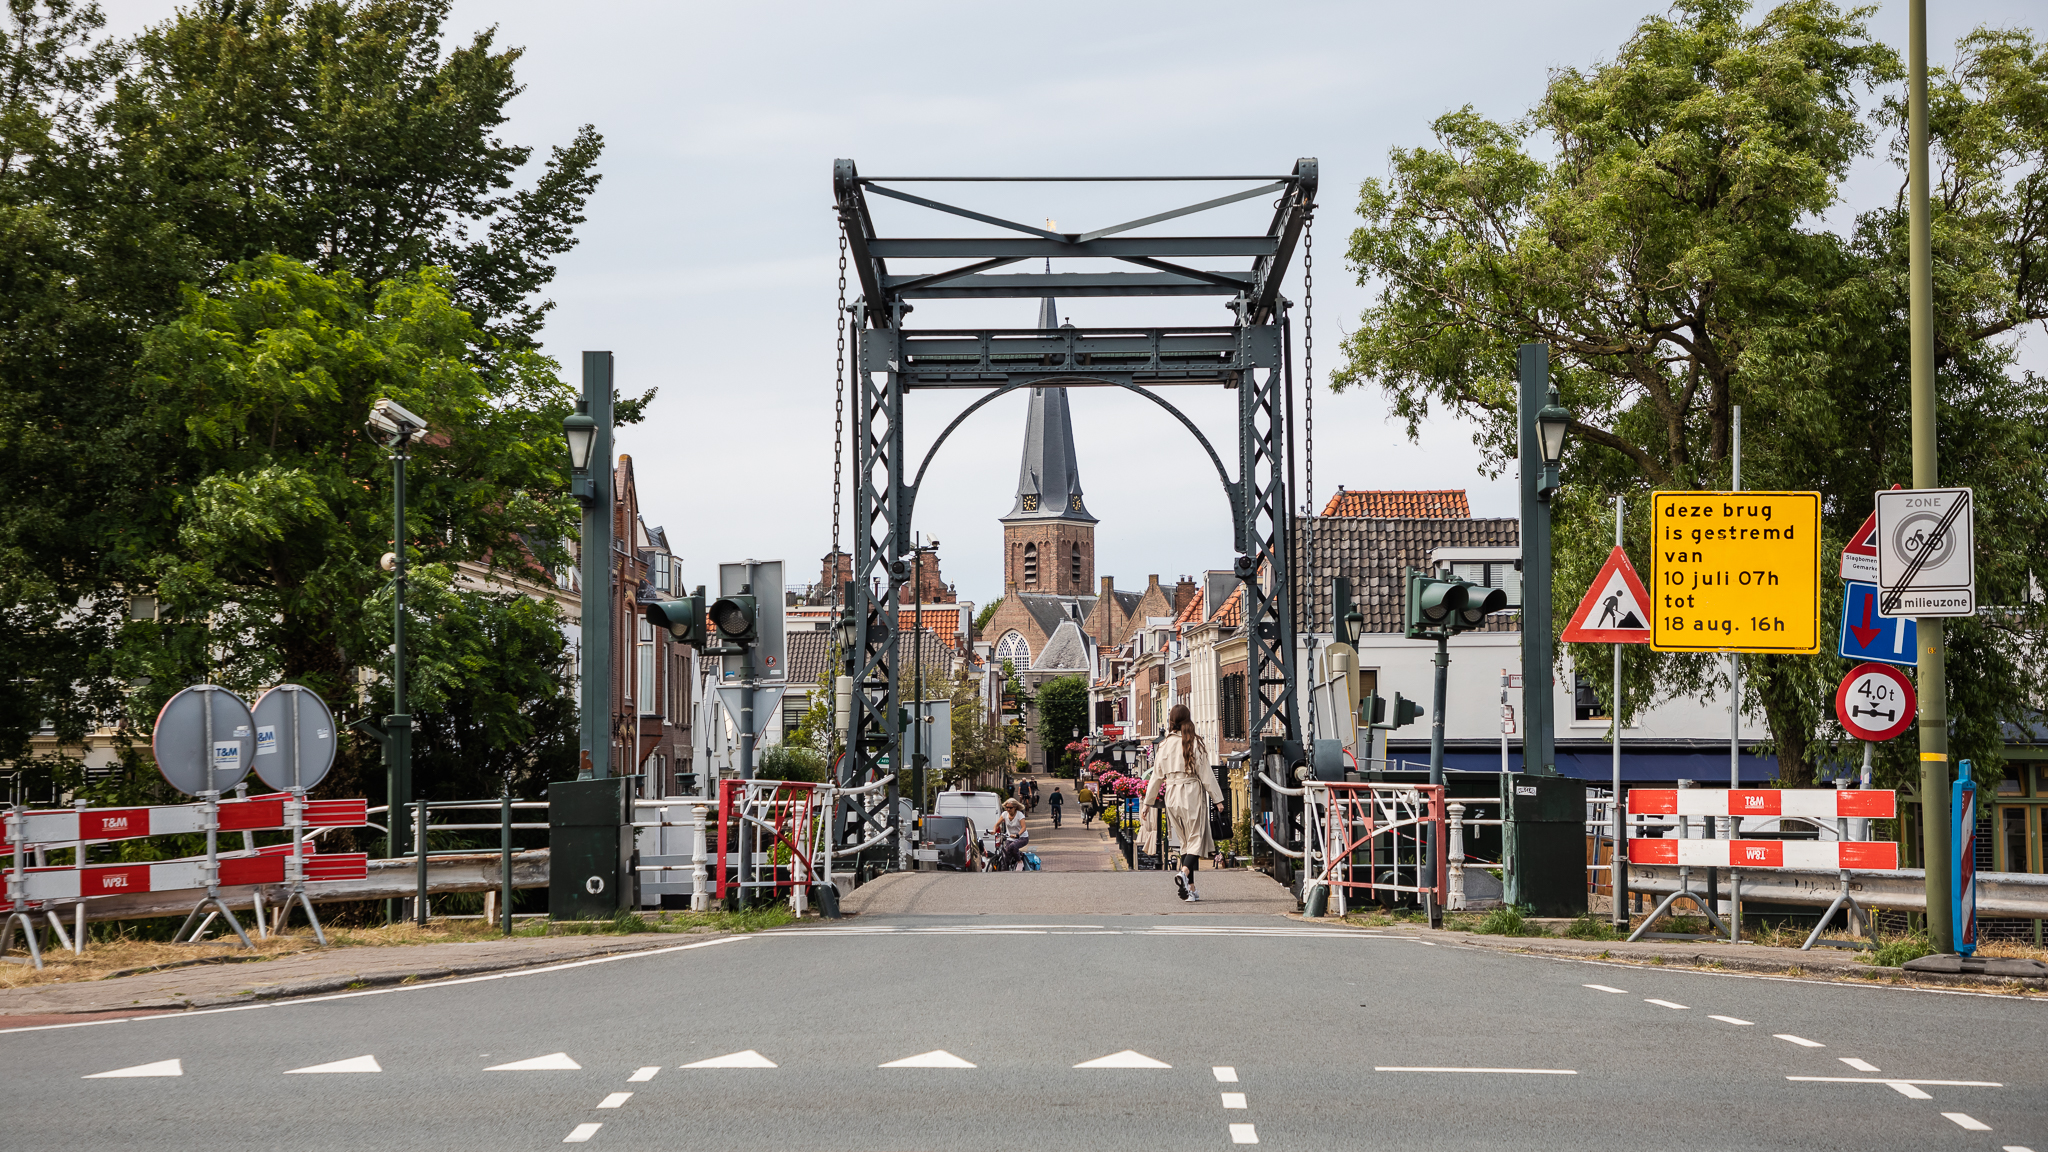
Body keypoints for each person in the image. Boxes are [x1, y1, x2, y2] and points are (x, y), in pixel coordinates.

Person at [1143, 703, 1226, 902]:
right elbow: (1206, 774)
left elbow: (1156, 776)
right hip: (1191, 792)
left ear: (1171, 720)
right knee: (1196, 839)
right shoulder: (1193, 742)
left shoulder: (1163, 745)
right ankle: (1184, 872)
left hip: (1171, 793)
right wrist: (1218, 799)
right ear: (1188, 719)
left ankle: (1190, 888)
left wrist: (1148, 802)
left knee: (1185, 843)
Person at [991, 798, 1029, 871]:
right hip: (1010, 837)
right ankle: (1005, 871)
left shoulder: (1019, 815)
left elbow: (1023, 827)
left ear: (1015, 807)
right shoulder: (1004, 814)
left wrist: (1017, 835)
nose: (1008, 809)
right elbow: (997, 824)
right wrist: (994, 830)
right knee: (1005, 856)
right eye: (1007, 807)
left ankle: (1019, 862)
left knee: (1013, 846)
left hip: (1022, 837)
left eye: (1010, 808)